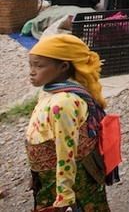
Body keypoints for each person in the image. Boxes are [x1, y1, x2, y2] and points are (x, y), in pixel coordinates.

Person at [26, 34, 116, 211]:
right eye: (30, 65)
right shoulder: (52, 90)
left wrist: (64, 193)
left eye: (39, 65)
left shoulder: (62, 103)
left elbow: (66, 150)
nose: (32, 71)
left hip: (70, 178)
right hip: (53, 174)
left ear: (63, 67)